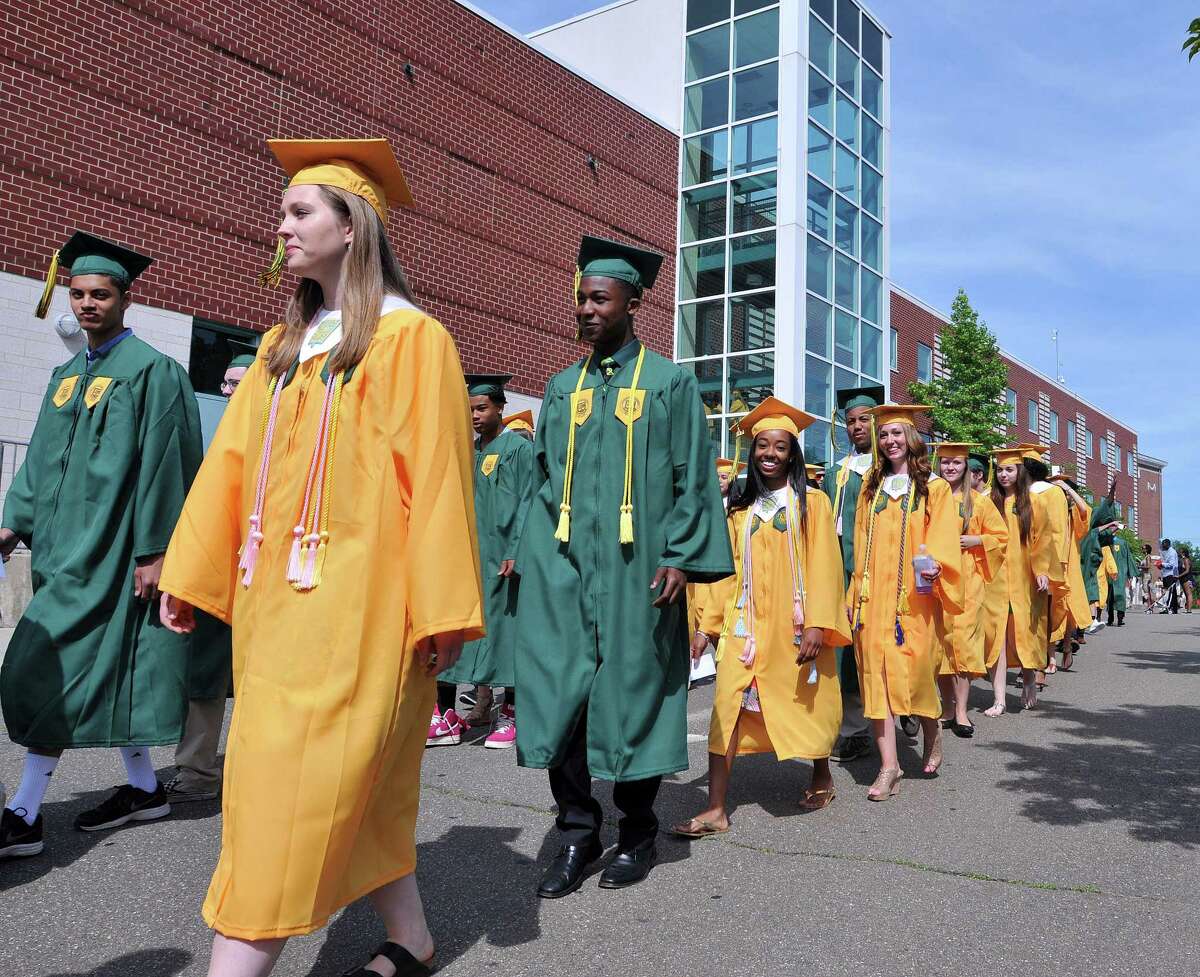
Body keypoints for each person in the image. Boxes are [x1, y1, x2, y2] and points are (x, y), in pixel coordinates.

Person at [157, 138, 482, 977]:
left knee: (281, 795)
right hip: (275, 608)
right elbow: (231, 462)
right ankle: (411, 940)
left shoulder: (414, 341)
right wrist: (190, 569)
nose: (283, 227)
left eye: (300, 211)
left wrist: (442, 608)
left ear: (352, 226)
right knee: (350, 785)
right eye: (284, 212)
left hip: (361, 609)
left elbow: (439, 478)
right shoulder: (282, 346)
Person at [514, 236, 733, 897]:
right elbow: (543, 481)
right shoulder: (561, 388)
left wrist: (681, 555)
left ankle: (636, 829)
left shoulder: (669, 384)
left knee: (635, 697)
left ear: (634, 302)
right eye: (580, 297)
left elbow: (695, 478)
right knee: (562, 700)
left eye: (599, 298)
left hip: (642, 576)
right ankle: (577, 830)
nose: (585, 308)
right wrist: (531, 561)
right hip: (566, 569)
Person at [0, 232, 202, 860]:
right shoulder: (65, 375)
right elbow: (38, 460)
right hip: (62, 551)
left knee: (46, 665)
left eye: (101, 294)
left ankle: (24, 813)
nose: (88, 303)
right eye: (79, 293)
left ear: (124, 299)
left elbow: (170, 464)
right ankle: (145, 788)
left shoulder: (154, 373)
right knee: (113, 666)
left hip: (115, 550)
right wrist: (13, 521)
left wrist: (156, 550)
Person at [672, 399, 849, 837]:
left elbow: (826, 564)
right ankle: (716, 808)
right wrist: (707, 626)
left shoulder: (814, 504)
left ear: (793, 455)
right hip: (744, 626)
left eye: (780, 447)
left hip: (794, 625)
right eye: (762, 446)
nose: (770, 453)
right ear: (752, 453)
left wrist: (817, 624)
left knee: (807, 701)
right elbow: (723, 571)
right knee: (727, 707)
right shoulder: (739, 510)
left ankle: (821, 773)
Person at [847, 405, 963, 800]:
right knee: (874, 680)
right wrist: (853, 593)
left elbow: (944, 537)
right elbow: (860, 542)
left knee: (914, 674)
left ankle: (932, 728)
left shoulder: (934, 487)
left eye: (897, 433)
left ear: (911, 438)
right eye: (884, 435)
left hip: (915, 599)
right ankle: (889, 767)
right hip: (871, 599)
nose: (890, 441)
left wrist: (937, 568)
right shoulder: (870, 487)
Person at [168, 351, 258, 805]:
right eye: (225, 383)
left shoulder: (280, 426)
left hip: (266, 570)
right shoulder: (215, 429)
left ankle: (255, 773)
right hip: (218, 566)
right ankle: (197, 770)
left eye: (237, 383)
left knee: (261, 676)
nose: (228, 392)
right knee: (204, 671)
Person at [435, 373, 534, 750]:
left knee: (508, 636)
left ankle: (512, 713)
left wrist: (517, 550)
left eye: (482, 408)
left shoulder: (518, 449)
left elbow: (529, 499)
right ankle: (449, 713)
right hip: (470, 557)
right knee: (462, 633)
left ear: (500, 408)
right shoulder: (470, 450)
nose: (475, 415)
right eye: (470, 409)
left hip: (504, 558)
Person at [823, 384, 885, 765]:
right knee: (845, 653)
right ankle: (853, 727)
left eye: (865, 420)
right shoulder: (838, 472)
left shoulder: (890, 469)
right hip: (841, 572)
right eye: (850, 421)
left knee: (879, 649)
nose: (857, 427)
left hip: (877, 571)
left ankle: (894, 713)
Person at [932, 443, 1006, 737]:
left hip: (968, 580)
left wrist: (977, 541)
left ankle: (961, 711)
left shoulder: (979, 502)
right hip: (936, 580)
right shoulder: (929, 498)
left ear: (966, 468)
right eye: (945, 463)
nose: (950, 468)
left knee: (964, 644)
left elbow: (1001, 537)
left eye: (956, 463)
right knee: (940, 647)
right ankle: (947, 708)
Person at [986, 445, 1056, 714]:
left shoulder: (1032, 502)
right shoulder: (988, 501)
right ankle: (999, 699)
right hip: (995, 579)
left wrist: (1041, 570)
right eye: (1000, 470)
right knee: (998, 637)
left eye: (1009, 469)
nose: (1004, 475)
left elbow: (1043, 539)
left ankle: (1028, 681)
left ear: (1019, 471)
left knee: (1024, 632)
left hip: (1024, 578)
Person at [1048, 475, 1093, 669]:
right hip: (1050, 566)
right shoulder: (1047, 511)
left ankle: (1066, 645)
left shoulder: (1073, 514)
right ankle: (1049, 658)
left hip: (1070, 567)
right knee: (1049, 612)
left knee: (1068, 611)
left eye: (1064, 494)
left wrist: (1067, 488)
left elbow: (1085, 510)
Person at [1159, 538, 1181, 613]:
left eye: (1163, 545)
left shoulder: (1172, 552)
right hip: (1166, 574)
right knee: (1170, 591)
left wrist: (1162, 564)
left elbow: (1171, 564)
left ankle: (1169, 608)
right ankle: (1172, 608)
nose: (1162, 546)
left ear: (1167, 544)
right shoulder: (1165, 551)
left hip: (1171, 574)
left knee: (1170, 592)